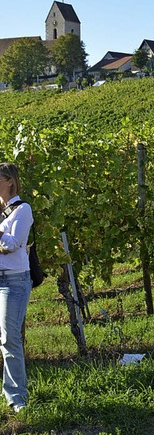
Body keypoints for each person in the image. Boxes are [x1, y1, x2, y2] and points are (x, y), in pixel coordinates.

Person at [0, 162, 34, 413]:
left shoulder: (22, 210)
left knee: (10, 338)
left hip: (13, 280)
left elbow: (13, 244)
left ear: (10, 181)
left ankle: (17, 396)